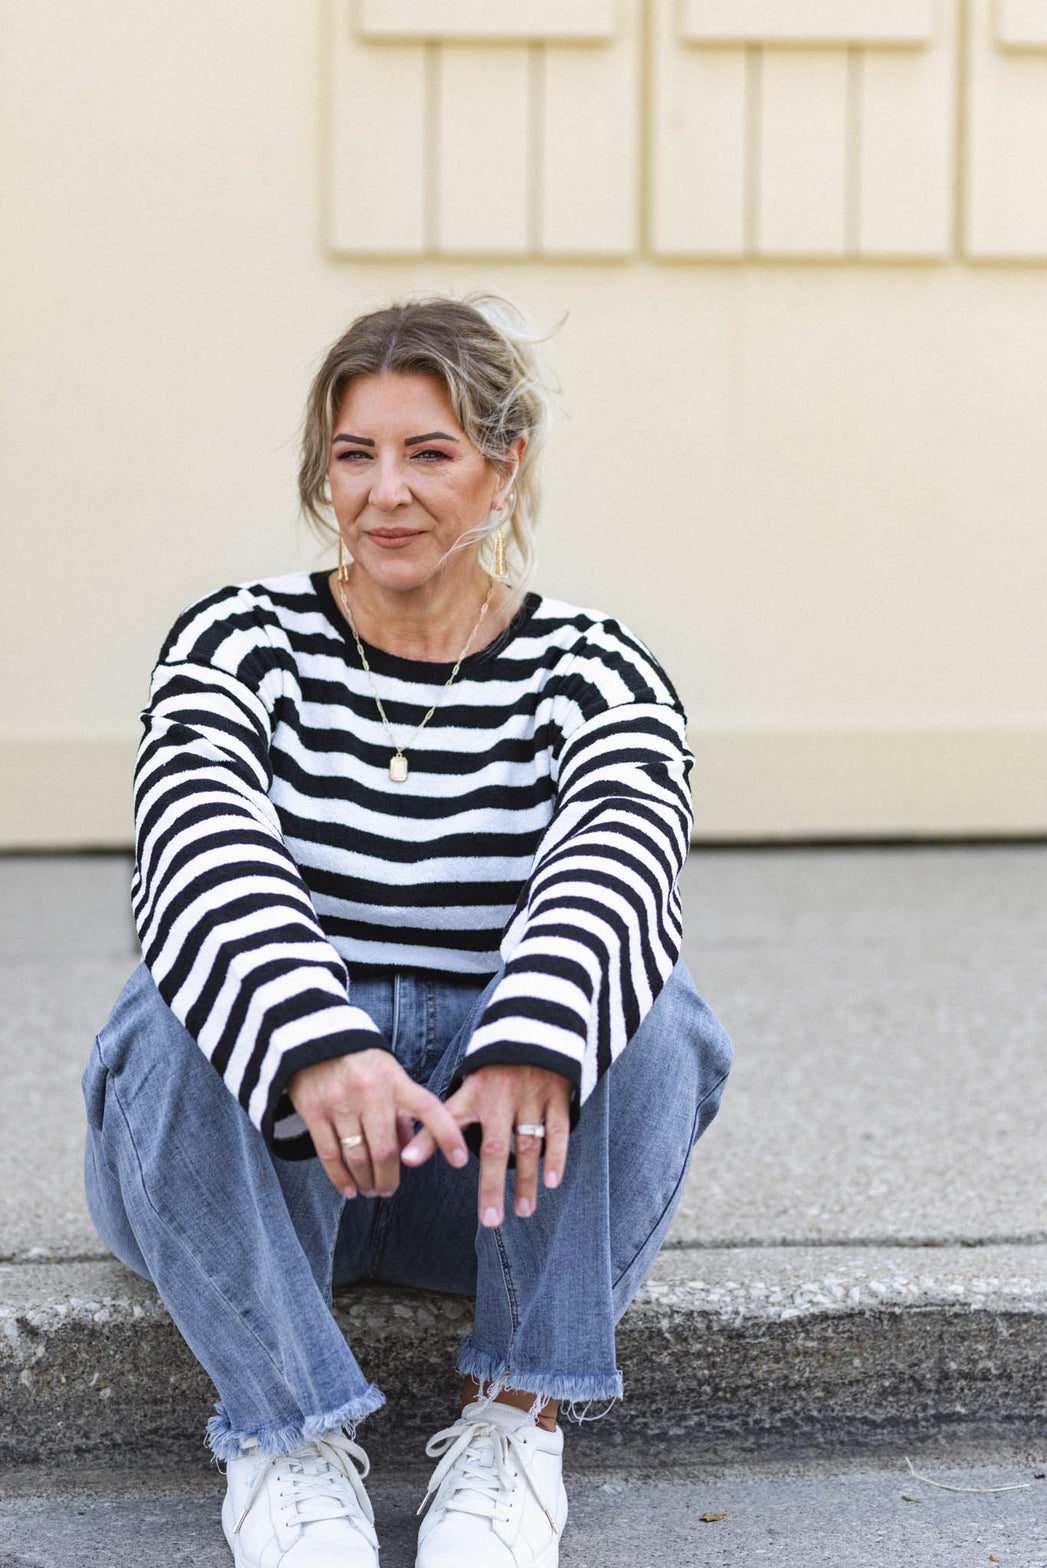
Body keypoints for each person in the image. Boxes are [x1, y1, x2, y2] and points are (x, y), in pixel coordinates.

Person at [82, 294, 732, 1568]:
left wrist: (538, 1030)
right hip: (257, 1158)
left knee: (657, 1013)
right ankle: (283, 1436)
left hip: (479, 1168)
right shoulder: (237, 641)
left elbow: (622, 851)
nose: (386, 493)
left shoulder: (596, 672)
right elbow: (201, 843)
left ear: (504, 465)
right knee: (171, 1009)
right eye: (353, 454)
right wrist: (318, 1042)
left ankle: (515, 1426)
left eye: (428, 452)